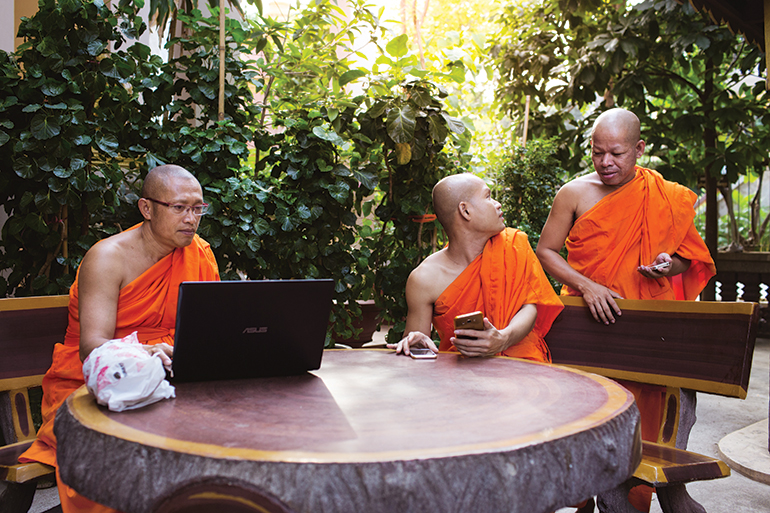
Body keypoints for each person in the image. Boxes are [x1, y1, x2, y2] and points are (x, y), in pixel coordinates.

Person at [536, 108, 716, 512]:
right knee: (593, 425)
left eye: (616, 153)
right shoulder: (575, 193)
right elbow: (545, 250)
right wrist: (586, 285)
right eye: (597, 152)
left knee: (654, 427)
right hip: (592, 331)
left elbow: (690, 259)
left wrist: (670, 265)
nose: (605, 162)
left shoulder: (663, 195)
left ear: (639, 149)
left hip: (651, 334)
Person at [19, 165, 220, 513]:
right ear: (147, 208)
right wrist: (149, 352)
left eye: (198, 208)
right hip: (95, 383)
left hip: (176, 377)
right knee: (130, 456)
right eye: (179, 208)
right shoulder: (108, 257)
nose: (191, 219)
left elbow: (210, 331)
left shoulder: (199, 253)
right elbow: (92, 346)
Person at [388, 173, 563, 362]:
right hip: (460, 374)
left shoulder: (514, 246)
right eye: (488, 197)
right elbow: (417, 345)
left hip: (522, 367)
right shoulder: (425, 278)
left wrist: (503, 340)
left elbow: (529, 308)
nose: (497, 204)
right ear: (465, 211)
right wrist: (416, 342)